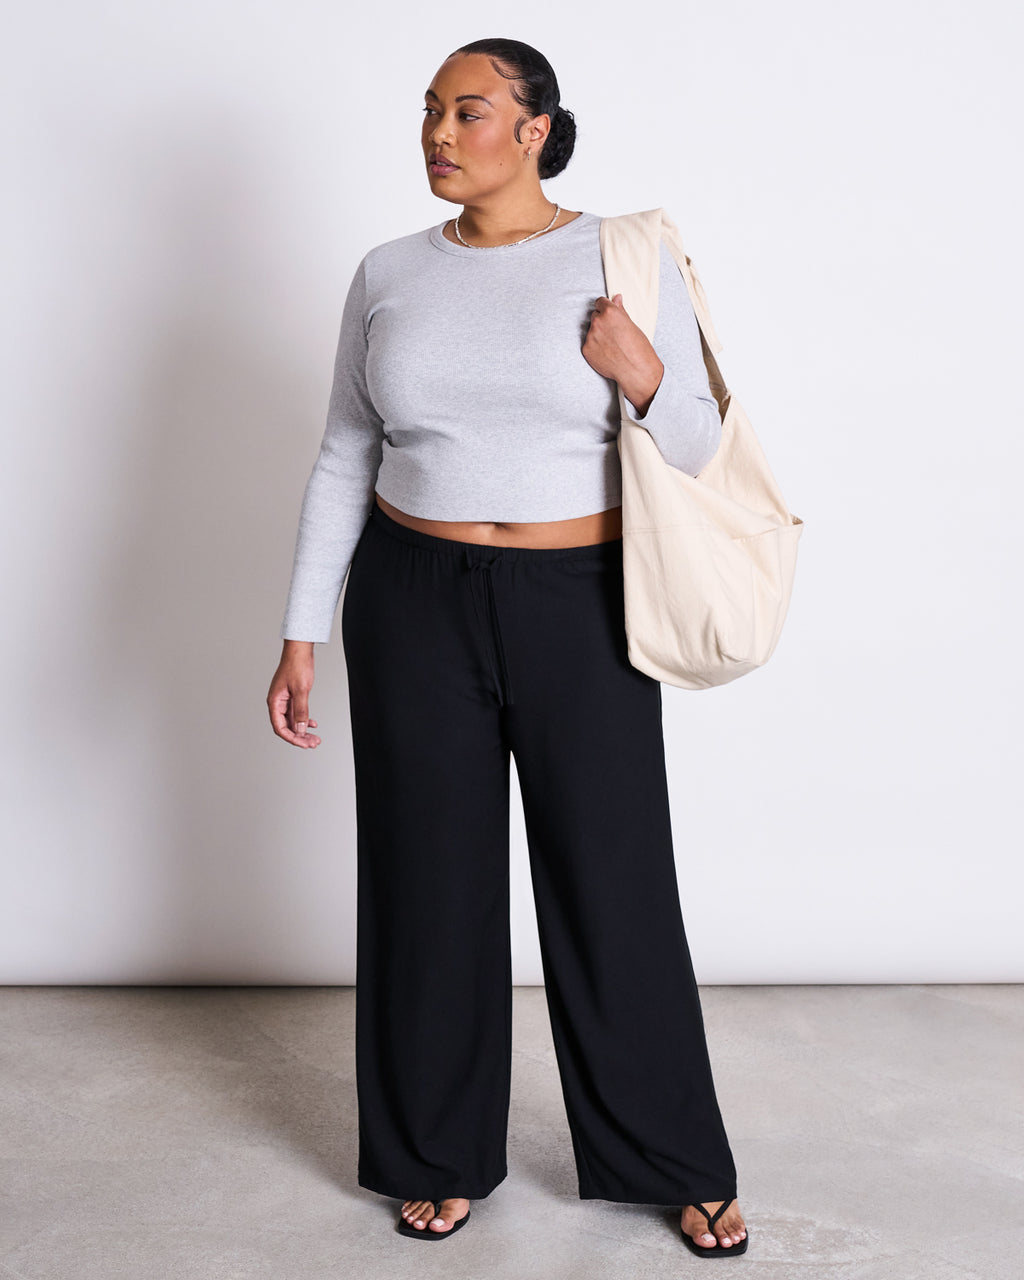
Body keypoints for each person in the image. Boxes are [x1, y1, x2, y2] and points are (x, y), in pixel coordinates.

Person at [266, 36, 749, 1256]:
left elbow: (702, 442)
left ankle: (673, 1158)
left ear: (534, 129)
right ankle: (433, 1151)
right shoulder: (388, 271)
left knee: (612, 881)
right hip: (409, 596)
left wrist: (643, 374)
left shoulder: (623, 253)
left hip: (580, 598)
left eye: (468, 111)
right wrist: (300, 629)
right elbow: (345, 451)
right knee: (426, 884)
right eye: (430, 110)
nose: (439, 133)